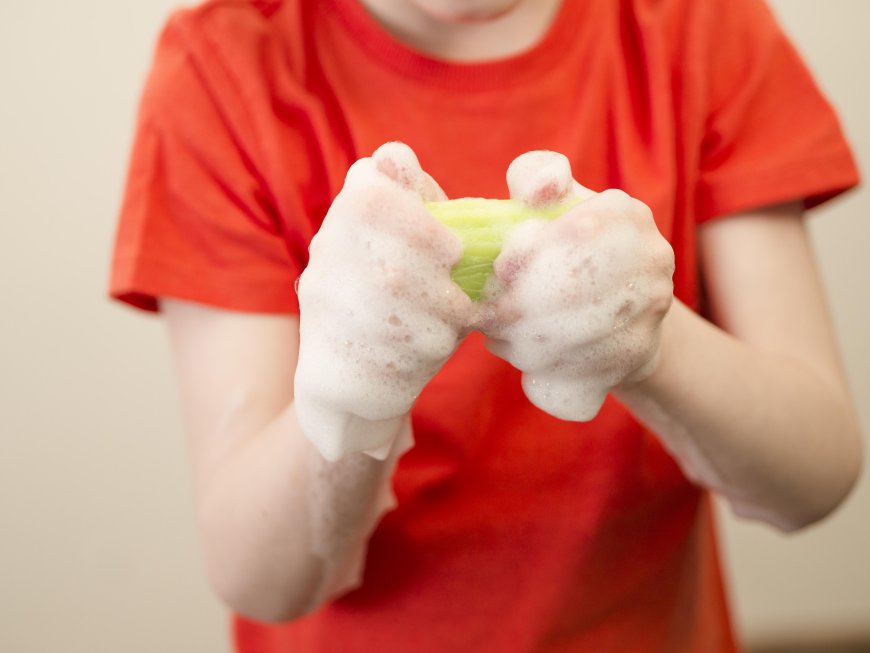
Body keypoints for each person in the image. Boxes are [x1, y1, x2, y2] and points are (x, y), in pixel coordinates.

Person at [108, 0, 863, 650]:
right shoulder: (225, 67)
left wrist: (651, 343)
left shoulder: (699, 27)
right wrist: (350, 397)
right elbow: (260, 578)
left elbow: (814, 472)